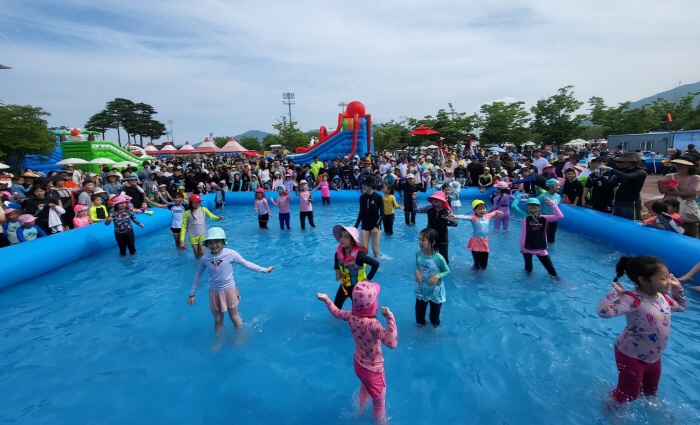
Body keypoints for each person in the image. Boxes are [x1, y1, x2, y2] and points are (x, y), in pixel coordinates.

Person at [597, 256, 685, 405]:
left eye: (669, 277)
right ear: (643, 280)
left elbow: (681, 307)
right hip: (630, 355)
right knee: (628, 395)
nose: (669, 281)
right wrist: (614, 292)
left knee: (650, 392)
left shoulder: (663, 297)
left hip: (653, 356)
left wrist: (678, 289)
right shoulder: (632, 300)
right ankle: (610, 408)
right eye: (664, 279)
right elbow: (603, 312)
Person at [316, 282, 397, 424]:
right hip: (374, 372)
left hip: (359, 365)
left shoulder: (350, 316)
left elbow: (336, 312)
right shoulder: (373, 324)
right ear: (373, 305)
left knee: (365, 385)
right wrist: (390, 317)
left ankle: (359, 408)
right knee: (379, 405)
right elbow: (392, 343)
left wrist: (327, 299)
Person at [188, 227, 274, 331]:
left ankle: (240, 336)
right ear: (206, 244)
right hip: (214, 292)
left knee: (234, 317)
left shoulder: (230, 254)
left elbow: (246, 264)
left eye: (217, 242)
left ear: (223, 241)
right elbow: (198, 275)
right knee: (218, 319)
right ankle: (219, 339)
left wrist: (264, 270)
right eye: (210, 242)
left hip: (229, 290)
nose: (214, 245)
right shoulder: (205, 258)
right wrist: (192, 294)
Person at [510, 195, 563, 279]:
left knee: (550, 268)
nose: (532, 206)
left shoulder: (545, 218)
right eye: (530, 205)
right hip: (526, 247)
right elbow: (513, 206)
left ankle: (558, 280)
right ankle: (528, 280)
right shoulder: (524, 216)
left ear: (539, 207)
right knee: (528, 268)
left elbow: (559, 216)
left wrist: (551, 203)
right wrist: (519, 197)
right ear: (527, 207)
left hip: (540, 247)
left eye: (535, 205)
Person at [332, 225, 380, 309]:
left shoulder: (359, 256)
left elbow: (376, 264)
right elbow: (336, 256)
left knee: (360, 313)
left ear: (352, 241)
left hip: (357, 289)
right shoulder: (340, 251)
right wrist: (337, 270)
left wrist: (368, 279)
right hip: (344, 285)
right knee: (335, 308)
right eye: (341, 236)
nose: (342, 239)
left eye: (346, 237)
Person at [414, 227, 450, 326]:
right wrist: (416, 271)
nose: (420, 242)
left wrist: (438, 275)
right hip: (422, 290)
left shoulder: (438, 258)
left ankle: (435, 330)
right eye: (419, 239)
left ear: (433, 242)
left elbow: (447, 271)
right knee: (419, 318)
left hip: (435, 292)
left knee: (434, 319)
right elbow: (417, 265)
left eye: (423, 240)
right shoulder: (418, 254)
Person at [455, 200, 504, 270]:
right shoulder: (473, 218)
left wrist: (499, 212)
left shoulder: (487, 216)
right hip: (476, 242)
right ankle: (474, 274)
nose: (482, 210)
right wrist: (455, 216)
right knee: (477, 264)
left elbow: (495, 212)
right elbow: (464, 216)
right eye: (479, 209)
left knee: (484, 264)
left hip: (485, 242)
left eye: (483, 208)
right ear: (474, 210)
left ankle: (482, 276)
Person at [601, 152, 647, 220]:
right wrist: (601, 177)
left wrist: (609, 169)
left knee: (631, 223)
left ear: (633, 161)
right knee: (618, 222)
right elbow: (612, 183)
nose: (623, 162)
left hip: (630, 202)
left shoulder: (641, 172)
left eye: (625, 161)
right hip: (619, 201)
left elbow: (626, 177)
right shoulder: (625, 171)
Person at [415, 191, 458, 263]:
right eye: (434, 198)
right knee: (429, 258)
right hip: (430, 237)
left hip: (442, 237)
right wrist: (414, 199)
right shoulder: (428, 208)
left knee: (444, 259)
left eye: (438, 199)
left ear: (443, 201)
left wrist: (450, 221)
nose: (435, 200)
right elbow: (415, 210)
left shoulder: (447, 211)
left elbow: (455, 224)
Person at [180, 194, 224, 259]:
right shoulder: (187, 213)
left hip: (202, 235)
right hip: (193, 236)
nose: (198, 203)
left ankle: (205, 264)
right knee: (197, 254)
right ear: (191, 203)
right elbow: (183, 227)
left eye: (199, 202)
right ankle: (198, 266)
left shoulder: (204, 210)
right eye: (196, 202)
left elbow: (212, 216)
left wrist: (218, 218)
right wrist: (182, 240)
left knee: (203, 253)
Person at [355, 179, 384, 258]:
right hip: (365, 225)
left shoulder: (378, 197)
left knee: (374, 248)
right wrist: (355, 227)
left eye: (365, 185)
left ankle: (378, 264)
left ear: (371, 186)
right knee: (363, 249)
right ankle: (364, 267)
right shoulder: (362, 198)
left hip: (375, 225)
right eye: (363, 185)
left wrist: (376, 226)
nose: (363, 186)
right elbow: (361, 213)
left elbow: (382, 214)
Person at [537, 179, 563, 243]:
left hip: (554, 220)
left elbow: (557, 207)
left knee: (552, 239)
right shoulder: (542, 196)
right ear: (551, 187)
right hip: (545, 220)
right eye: (557, 185)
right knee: (545, 238)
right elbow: (536, 206)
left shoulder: (558, 196)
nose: (559, 187)